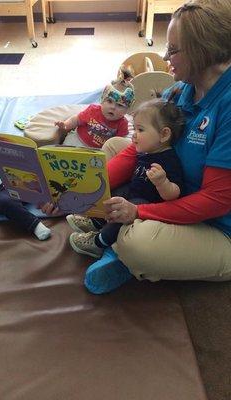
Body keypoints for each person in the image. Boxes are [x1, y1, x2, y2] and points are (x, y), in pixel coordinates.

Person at [76, 0, 231, 294]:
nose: (164, 56)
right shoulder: (180, 90)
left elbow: (217, 202)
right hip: (174, 194)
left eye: (173, 50)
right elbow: (140, 150)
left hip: (219, 227)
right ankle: (120, 242)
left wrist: (140, 213)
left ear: (203, 49)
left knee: (139, 242)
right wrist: (79, 190)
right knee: (115, 145)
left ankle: (123, 250)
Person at [67, 94, 185, 259]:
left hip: (147, 204)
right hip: (134, 192)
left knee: (122, 213)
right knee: (116, 194)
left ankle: (98, 242)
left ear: (164, 135)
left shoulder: (169, 160)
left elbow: (175, 194)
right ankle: (96, 221)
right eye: (134, 129)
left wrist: (162, 183)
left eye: (140, 130)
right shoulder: (144, 151)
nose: (134, 135)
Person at [54, 67, 135, 148]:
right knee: (66, 147)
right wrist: (65, 125)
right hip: (78, 140)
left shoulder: (122, 123)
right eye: (109, 101)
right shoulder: (92, 110)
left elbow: (119, 142)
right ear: (102, 100)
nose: (113, 107)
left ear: (127, 109)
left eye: (120, 105)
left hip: (98, 152)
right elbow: (77, 119)